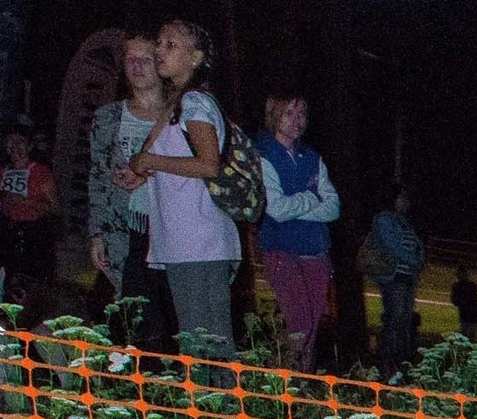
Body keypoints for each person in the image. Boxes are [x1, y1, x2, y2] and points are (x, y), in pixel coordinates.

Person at [125, 19, 240, 361]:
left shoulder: (195, 104)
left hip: (198, 243)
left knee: (208, 344)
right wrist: (142, 171)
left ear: (196, 57)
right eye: (159, 43)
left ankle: (219, 410)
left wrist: (152, 161)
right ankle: (211, 409)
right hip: (184, 242)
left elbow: (208, 164)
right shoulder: (179, 104)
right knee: (198, 341)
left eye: (171, 45)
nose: (160, 51)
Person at [87, 34, 176, 345]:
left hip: (174, 228)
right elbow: (97, 178)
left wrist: (147, 174)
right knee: (133, 317)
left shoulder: (182, 113)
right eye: (130, 59)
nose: (137, 66)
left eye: (145, 59)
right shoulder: (108, 118)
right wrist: (97, 233)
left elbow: (198, 169)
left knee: (173, 317)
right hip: (126, 233)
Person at [254, 95, 341, 370]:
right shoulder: (263, 155)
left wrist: (299, 204)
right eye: (289, 112)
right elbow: (276, 208)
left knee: (312, 327)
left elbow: (333, 207)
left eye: (302, 113)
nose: (297, 120)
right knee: (299, 320)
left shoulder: (313, 158)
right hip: (282, 250)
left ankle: (302, 385)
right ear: (274, 114)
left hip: (316, 252)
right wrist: (310, 198)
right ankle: (277, 380)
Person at [368, 185, 427, 374]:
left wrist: (419, 259)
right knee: (395, 317)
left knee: (404, 319)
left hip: (408, 277)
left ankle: (401, 360)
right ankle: (389, 360)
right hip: (394, 277)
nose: (406, 202)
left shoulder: (404, 221)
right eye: (403, 197)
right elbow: (392, 246)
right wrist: (414, 260)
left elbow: (418, 245)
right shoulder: (384, 219)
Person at [0, 128, 61, 305]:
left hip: (32, 235)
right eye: (10, 142)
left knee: (26, 284)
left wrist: (26, 202)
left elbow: (55, 209)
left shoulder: (41, 173)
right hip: (7, 232)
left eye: (19, 142)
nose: (14, 147)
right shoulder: (3, 171)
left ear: (29, 146)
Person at [449, 262, 477, 341]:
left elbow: (455, 301)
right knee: (469, 337)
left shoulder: (459, 286)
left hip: (468, 315)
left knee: (466, 336)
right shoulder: (470, 285)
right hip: (469, 315)